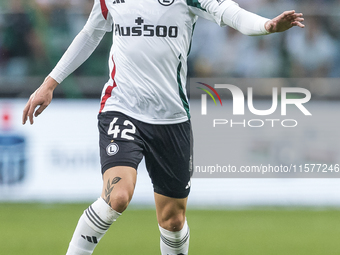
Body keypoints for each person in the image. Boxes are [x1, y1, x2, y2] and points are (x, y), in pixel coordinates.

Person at [22, 0, 304, 254]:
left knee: (173, 220)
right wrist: (50, 83)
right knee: (116, 197)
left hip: (171, 119)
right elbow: (90, 33)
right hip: (122, 108)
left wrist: (266, 26)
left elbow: (230, 13)